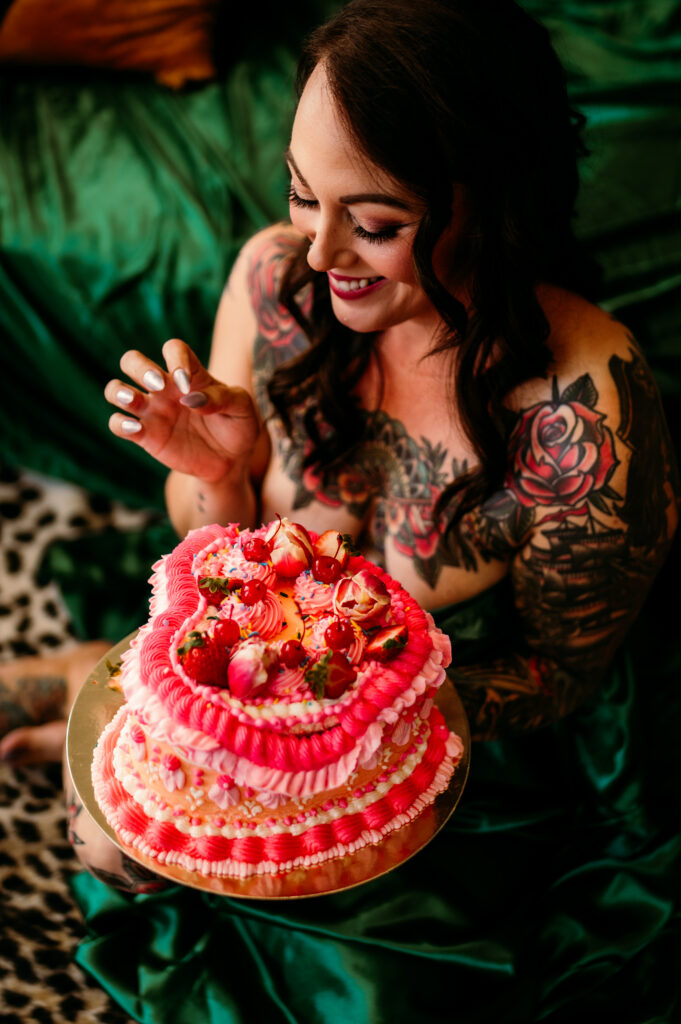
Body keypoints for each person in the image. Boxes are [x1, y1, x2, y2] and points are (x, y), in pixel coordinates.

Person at [10, 0, 681, 1018]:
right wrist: (223, 475)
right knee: (111, 838)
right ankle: (93, 665)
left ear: (485, 205)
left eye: (373, 224)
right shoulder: (276, 282)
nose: (319, 252)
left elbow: (560, 673)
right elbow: (214, 550)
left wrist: (322, 756)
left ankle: (89, 671)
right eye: (299, 194)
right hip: (253, 682)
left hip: (447, 745)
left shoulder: (584, 415)